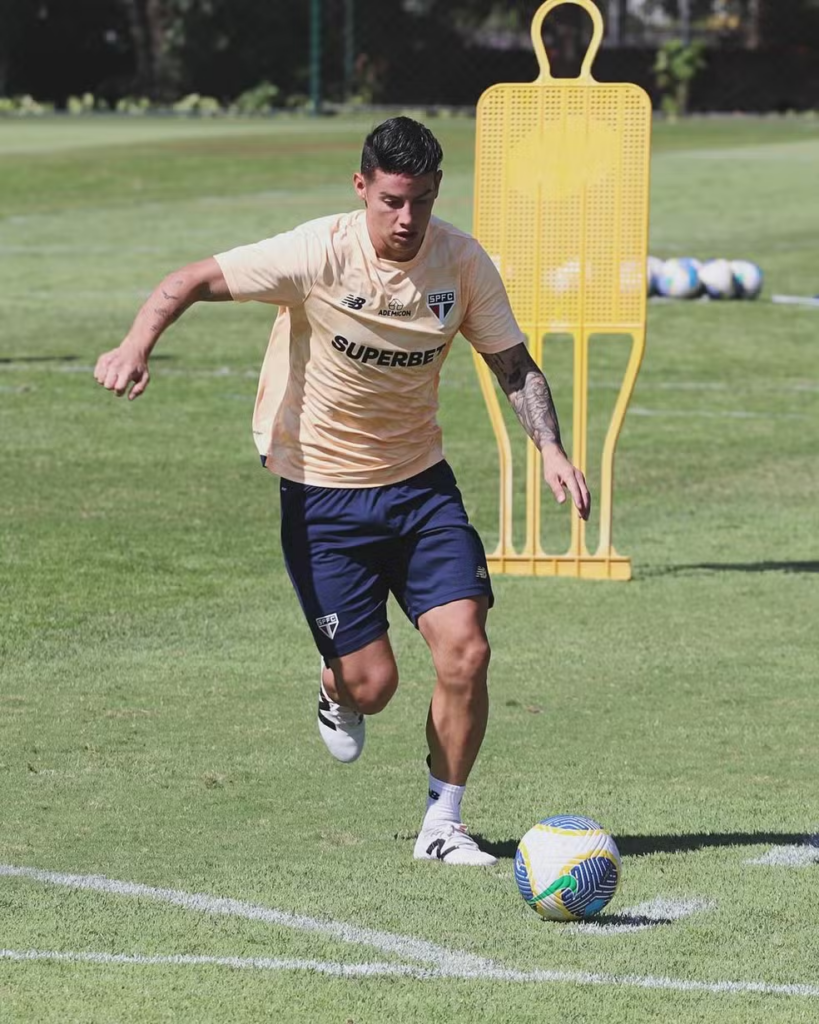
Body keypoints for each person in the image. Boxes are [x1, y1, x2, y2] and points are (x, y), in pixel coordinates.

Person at [94, 116, 590, 867]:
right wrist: (135, 344)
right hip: (322, 494)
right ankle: (337, 689)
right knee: (374, 685)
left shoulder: (460, 263)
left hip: (421, 489)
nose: (406, 218)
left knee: (465, 651)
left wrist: (550, 447)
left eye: (421, 200)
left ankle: (442, 826)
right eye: (391, 200)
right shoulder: (316, 252)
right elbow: (187, 281)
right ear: (361, 188)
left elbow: (514, 366)